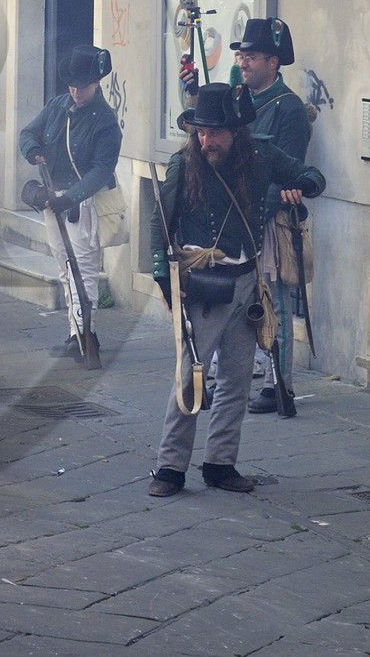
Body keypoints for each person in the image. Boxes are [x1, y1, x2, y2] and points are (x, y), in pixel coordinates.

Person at [146, 83, 325, 497]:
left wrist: (300, 189)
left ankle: (220, 463)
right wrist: (166, 282)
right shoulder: (182, 164)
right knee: (190, 378)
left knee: (237, 379)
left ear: (236, 132)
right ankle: (170, 467)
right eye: (202, 132)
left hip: (248, 282)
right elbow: (160, 225)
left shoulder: (260, 155)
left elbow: (310, 175)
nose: (207, 139)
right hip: (202, 284)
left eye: (216, 132)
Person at [225, 18, 313, 415]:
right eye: (242, 56)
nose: (244, 63)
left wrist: (262, 199)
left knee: (274, 303)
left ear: (273, 62)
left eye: (252, 57)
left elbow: (290, 173)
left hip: (270, 219)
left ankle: (280, 384)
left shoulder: (289, 108)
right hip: (235, 216)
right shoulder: (239, 100)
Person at [18, 46, 124, 361]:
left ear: (96, 83)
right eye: (73, 85)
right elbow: (28, 132)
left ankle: (86, 334)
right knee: (65, 269)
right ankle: (74, 333)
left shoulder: (105, 120)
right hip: (55, 199)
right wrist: (33, 149)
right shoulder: (57, 106)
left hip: (85, 202)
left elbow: (101, 170)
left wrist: (70, 198)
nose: (77, 91)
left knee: (84, 270)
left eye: (84, 85)